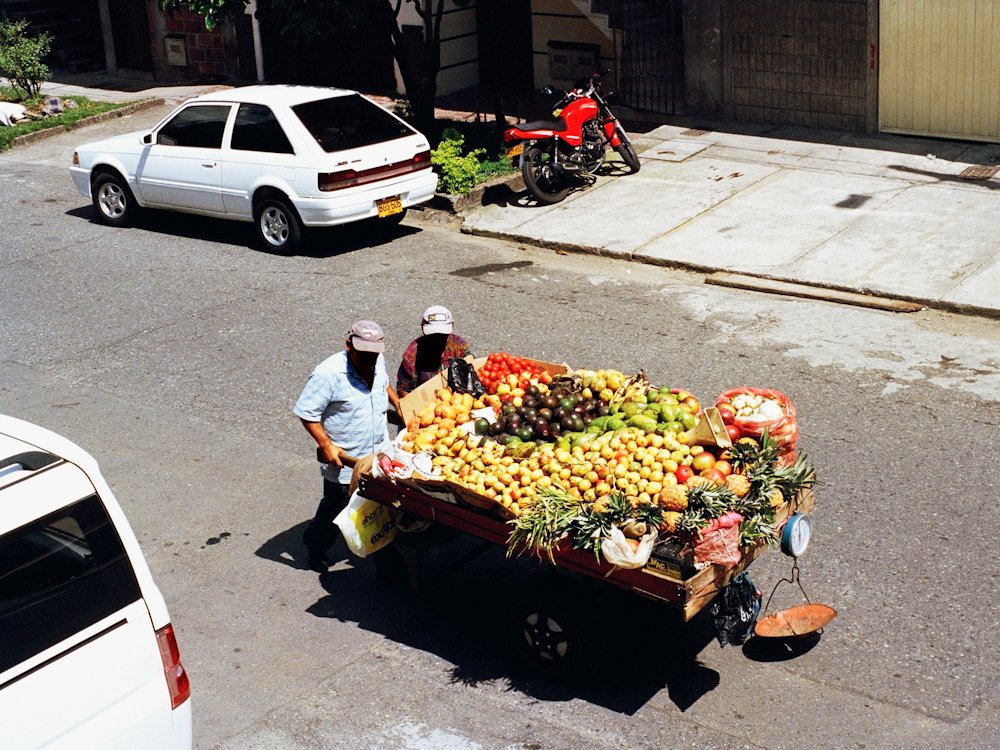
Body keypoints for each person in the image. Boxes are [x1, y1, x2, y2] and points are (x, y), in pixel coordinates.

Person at [294, 319, 402, 573]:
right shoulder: (328, 374)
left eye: (373, 355)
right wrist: (326, 444)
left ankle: (386, 562)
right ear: (348, 345)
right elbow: (307, 412)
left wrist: (396, 403)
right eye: (362, 353)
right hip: (346, 460)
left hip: (379, 452)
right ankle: (315, 545)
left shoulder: (376, 358)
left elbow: (383, 381)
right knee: (337, 508)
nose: (369, 359)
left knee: (384, 506)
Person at [395, 305, 473, 398]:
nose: (437, 340)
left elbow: (473, 372)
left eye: (442, 335)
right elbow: (403, 390)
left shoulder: (459, 347)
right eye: (433, 335)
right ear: (423, 329)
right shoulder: (412, 356)